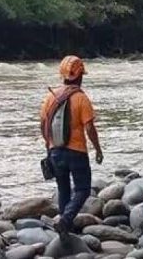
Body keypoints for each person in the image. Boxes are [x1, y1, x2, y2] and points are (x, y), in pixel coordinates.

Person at [40, 55, 103, 237]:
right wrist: (98, 149)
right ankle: (65, 220)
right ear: (80, 76)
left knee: (63, 188)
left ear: (63, 75)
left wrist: (49, 146)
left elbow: (43, 125)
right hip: (77, 152)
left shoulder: (50, 97)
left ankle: (64, 226)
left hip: (55, 151)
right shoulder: (81, 99)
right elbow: (89, 127)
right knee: (82, 189)